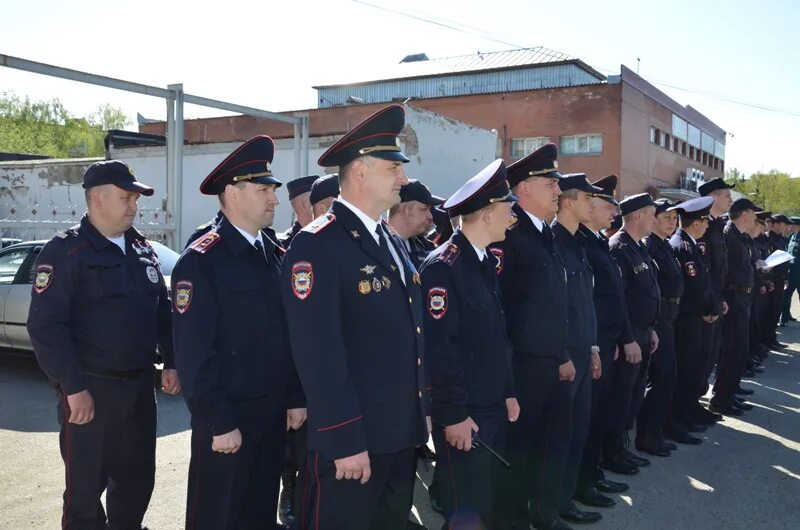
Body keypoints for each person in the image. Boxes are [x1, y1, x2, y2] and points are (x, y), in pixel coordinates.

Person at [281, 105, 429, 530]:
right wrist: (345, 439)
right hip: (353, 443)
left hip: (399, 435)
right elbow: (318, 354)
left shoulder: (392, 242)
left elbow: (412, 336)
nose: (403, 177)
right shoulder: (318, 245)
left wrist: (422, 413)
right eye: (393, 168)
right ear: (360, 172)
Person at [27, 159, 179, 530]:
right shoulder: (66, 252)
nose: (134, 206)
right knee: (84, 491)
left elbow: (162, 310)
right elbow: (46, 326)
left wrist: (171, 360)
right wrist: (73, 387)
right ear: (96, 199)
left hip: (140, 389)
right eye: (126, 197)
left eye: (136, 198)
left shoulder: (142, 249)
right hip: (90, 390)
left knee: (136, 480)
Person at [170, 136, 306, 530]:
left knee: (258, 515)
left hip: (271, 417)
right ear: (232, 192)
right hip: (228, 421)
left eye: (273, 190)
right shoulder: (201, 262)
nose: (274, 200)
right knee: (218, 516)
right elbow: (194, 354)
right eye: (264, 189)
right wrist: (218, 421)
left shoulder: (274, 255)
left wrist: (294, 398)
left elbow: (286, 338)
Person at [420, 158, 518, 529]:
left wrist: (507, 391)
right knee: (464, 510)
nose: (513, 215)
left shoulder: (483, 262)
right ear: (488, 212)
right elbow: (439, 351)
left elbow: (496, 338)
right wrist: (454, 415)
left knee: (483, 505)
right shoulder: (444, 267)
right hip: (466, 414)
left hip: (490, 406)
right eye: (507, 207)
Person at [490, 143, 574, 530]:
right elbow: (501, 310)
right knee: (518, 451)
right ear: (524, 188)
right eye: (550, 184)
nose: (558, 191)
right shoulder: (509, 234)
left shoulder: (545, 235)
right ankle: (510, 520)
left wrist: (560, 355)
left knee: (544, 448)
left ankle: (536, 513)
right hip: (521, 369)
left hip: (548, 364)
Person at [574, 175, 631, 509]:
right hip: (591, 343)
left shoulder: (596, 240)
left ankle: (591, 474)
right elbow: (586, 302)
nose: (614, 212)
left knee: (597, 415)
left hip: (604, 341)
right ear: (589, 205)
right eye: (607, 204)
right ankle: (581, 482)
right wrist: (596, 345)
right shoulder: (579, 241)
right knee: (587, 418)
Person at [551, 174, 603, 526]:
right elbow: (552, 309)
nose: (592, 205)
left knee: (578, 432)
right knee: (560, 436)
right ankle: (551, 505)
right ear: (569, 202)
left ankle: (566, 499)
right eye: (587, 199)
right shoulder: (552, 242)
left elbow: (586, 303)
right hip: (565, 357)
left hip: (584, 351)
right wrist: (563, 355)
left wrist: (595, 347)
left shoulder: (577, 243)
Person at [604, 193, 660, 472]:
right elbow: (620, 300)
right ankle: (612, 453)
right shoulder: (619, 247)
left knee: (634, 395)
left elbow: (648, 293)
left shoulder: (639, 247)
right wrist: (627, 338)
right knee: (620, 397)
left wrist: (651, 329)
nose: (655, 219)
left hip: (642, 332)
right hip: (629, 336)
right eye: (651, 214)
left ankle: (622, 447)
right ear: (638, 215)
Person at [669, 196, 720, 443]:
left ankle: (688, 413)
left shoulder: (692, 244)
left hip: (698, 317)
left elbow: (704, 282)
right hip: (689, 319)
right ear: (697, 223)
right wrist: (709, 308)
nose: (708, 225)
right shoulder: (682, 246)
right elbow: (693, 287)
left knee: (694, 368)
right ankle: (680, 419)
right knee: (686, 370)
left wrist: (713, 307)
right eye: (705, 221)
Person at [638, 199, 683, 455]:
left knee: (668, 376)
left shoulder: (663, 246)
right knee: (661, 376)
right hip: (660, 317)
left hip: (669, 316)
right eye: (666, 217)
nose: (672, 222)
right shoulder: (651, 247)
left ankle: (657, 431)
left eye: (674, 219)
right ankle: (648, 435)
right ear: (653, 218)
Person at [709, 198, 761, 416]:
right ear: (745, 214)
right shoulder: (728, 234)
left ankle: (729, 393)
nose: (757, 218)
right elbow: (723, 270)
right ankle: (720, 398)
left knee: (739, 350)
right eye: (754, 213)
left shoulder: (741, 236)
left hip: (743, 298)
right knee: (731, 350)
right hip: (733, 297)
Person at [696, 178, 733, 417]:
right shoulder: (703, 226)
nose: (731, 200)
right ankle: (688, 407)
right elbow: (703, 271)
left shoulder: (718, 225)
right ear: (712, 197)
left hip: (716, 301)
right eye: (726, 195)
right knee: (698, 359)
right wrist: (708, 305)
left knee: (709, 357)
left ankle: (695, 405)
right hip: (704, 305)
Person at [388, 179, 439, 268]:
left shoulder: (426, 247)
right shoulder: (379, 244)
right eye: (424, 209)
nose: (430, 216)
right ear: (405, 210)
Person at [278, 175, 319, 248]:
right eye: (318, 201)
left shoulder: (324, 235)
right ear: (304, 205)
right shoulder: (285, 245)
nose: (324, 207)